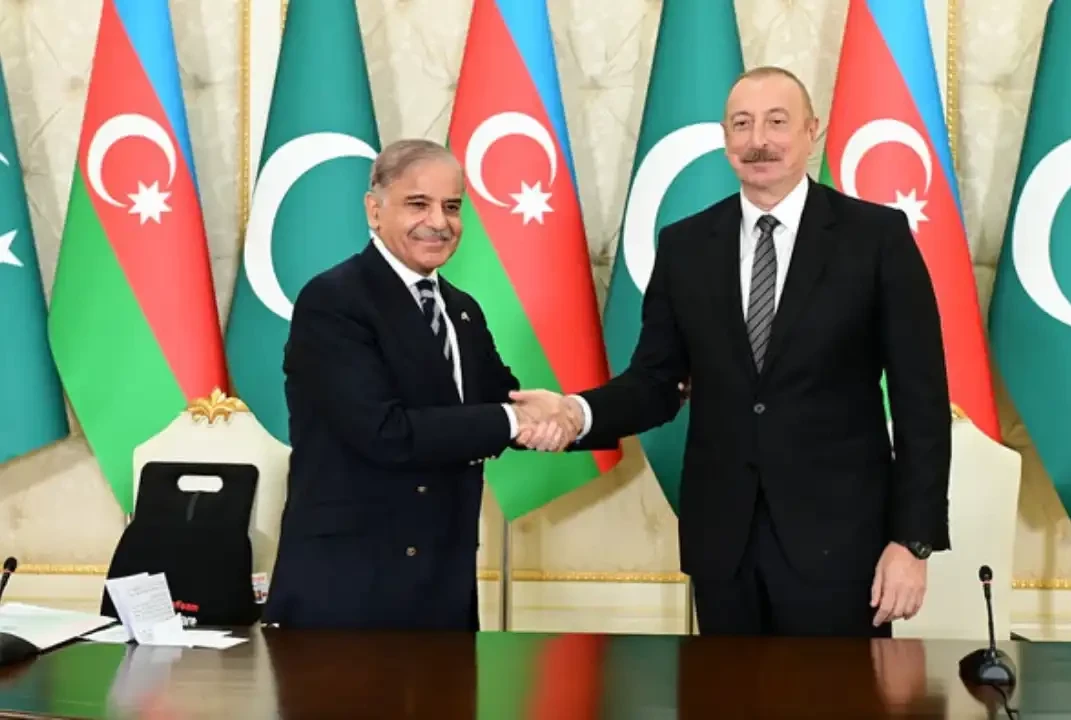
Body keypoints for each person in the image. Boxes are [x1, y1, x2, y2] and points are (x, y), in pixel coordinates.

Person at [512, 66, 951, 637]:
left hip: (843, 547)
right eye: (741, 124)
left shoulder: (876, 238)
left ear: (810, 131)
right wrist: (577, 412)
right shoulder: (685, 245)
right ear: (725, 138)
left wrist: (911, 542)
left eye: (776, 122)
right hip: (724, 545)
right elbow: (654, 384)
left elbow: (923, 402)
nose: (757, 140)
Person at [262, 139, 576, 630]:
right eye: (418, 204)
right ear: (374, 209)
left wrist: (572, 415)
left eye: (452, 207)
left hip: (443, 578)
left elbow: (505, 403)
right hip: (351, 584)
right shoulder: (333, 301)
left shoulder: (462, 308)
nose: (439, 222)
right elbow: (384, 432)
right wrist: (515, 418)